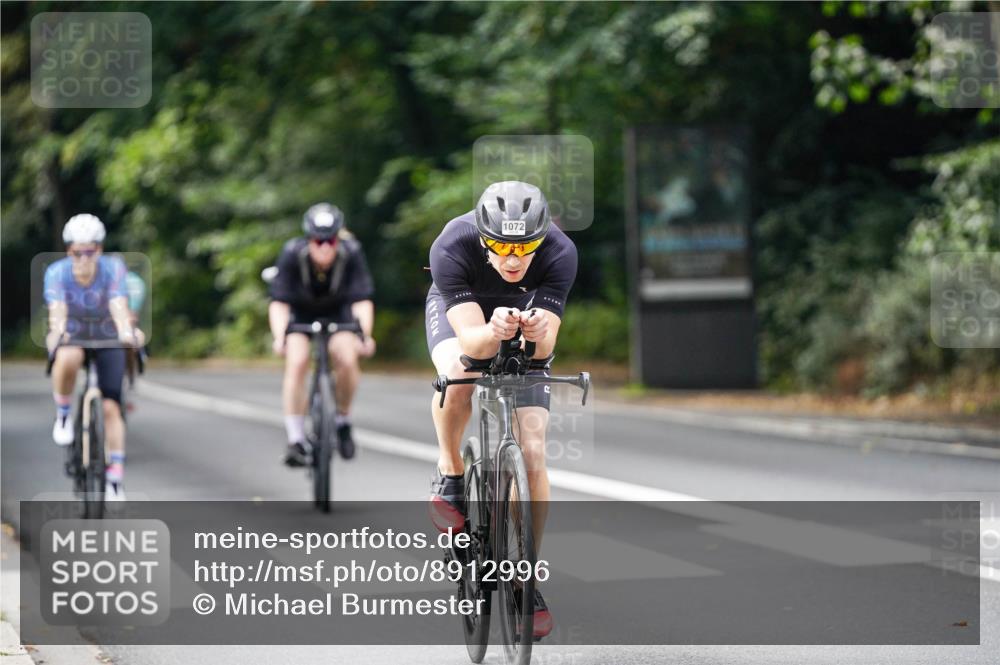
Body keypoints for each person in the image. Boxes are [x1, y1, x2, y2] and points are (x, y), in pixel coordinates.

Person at [425, 181, 577, 639]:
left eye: (524, 247)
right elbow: (472, 343)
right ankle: (451, 472)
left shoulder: (560, 251)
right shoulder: (452, 244)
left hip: (523, 319)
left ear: (541, 238)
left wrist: (534, 330)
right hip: (466, 318)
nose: (513, 259)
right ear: (483, 236)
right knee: (459, 375)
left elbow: (544, 348)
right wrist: (493, 331)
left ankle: (524, 576)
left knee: (532, 450)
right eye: (501, 246)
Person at [44, 214, 144, 501]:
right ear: (68, 251)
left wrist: (127, 331)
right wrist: (59, 332)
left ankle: (114, 479)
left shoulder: (113, 269)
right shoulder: (56, 273)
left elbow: (118, 303)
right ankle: (63, 414)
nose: (84, 257)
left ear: (99, 249)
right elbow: (58, 310)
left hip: (107, 335)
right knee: (69, 355)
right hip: (74, 334)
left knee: (112, 408)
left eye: (91, 251)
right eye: (78, 252)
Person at [268, 203, 376, 467]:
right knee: (297, 361)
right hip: (301, 315)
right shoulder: (292, 253)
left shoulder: (351, 253)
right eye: (319, 240)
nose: (325, 247)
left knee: (348, 359)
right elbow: (279, 303)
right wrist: (280, 336)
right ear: (309, 239)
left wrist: (365, 336)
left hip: (338, 314)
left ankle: (342, 420)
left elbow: (362, 300)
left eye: (330, 240)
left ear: (338, 238)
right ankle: (295, 439)